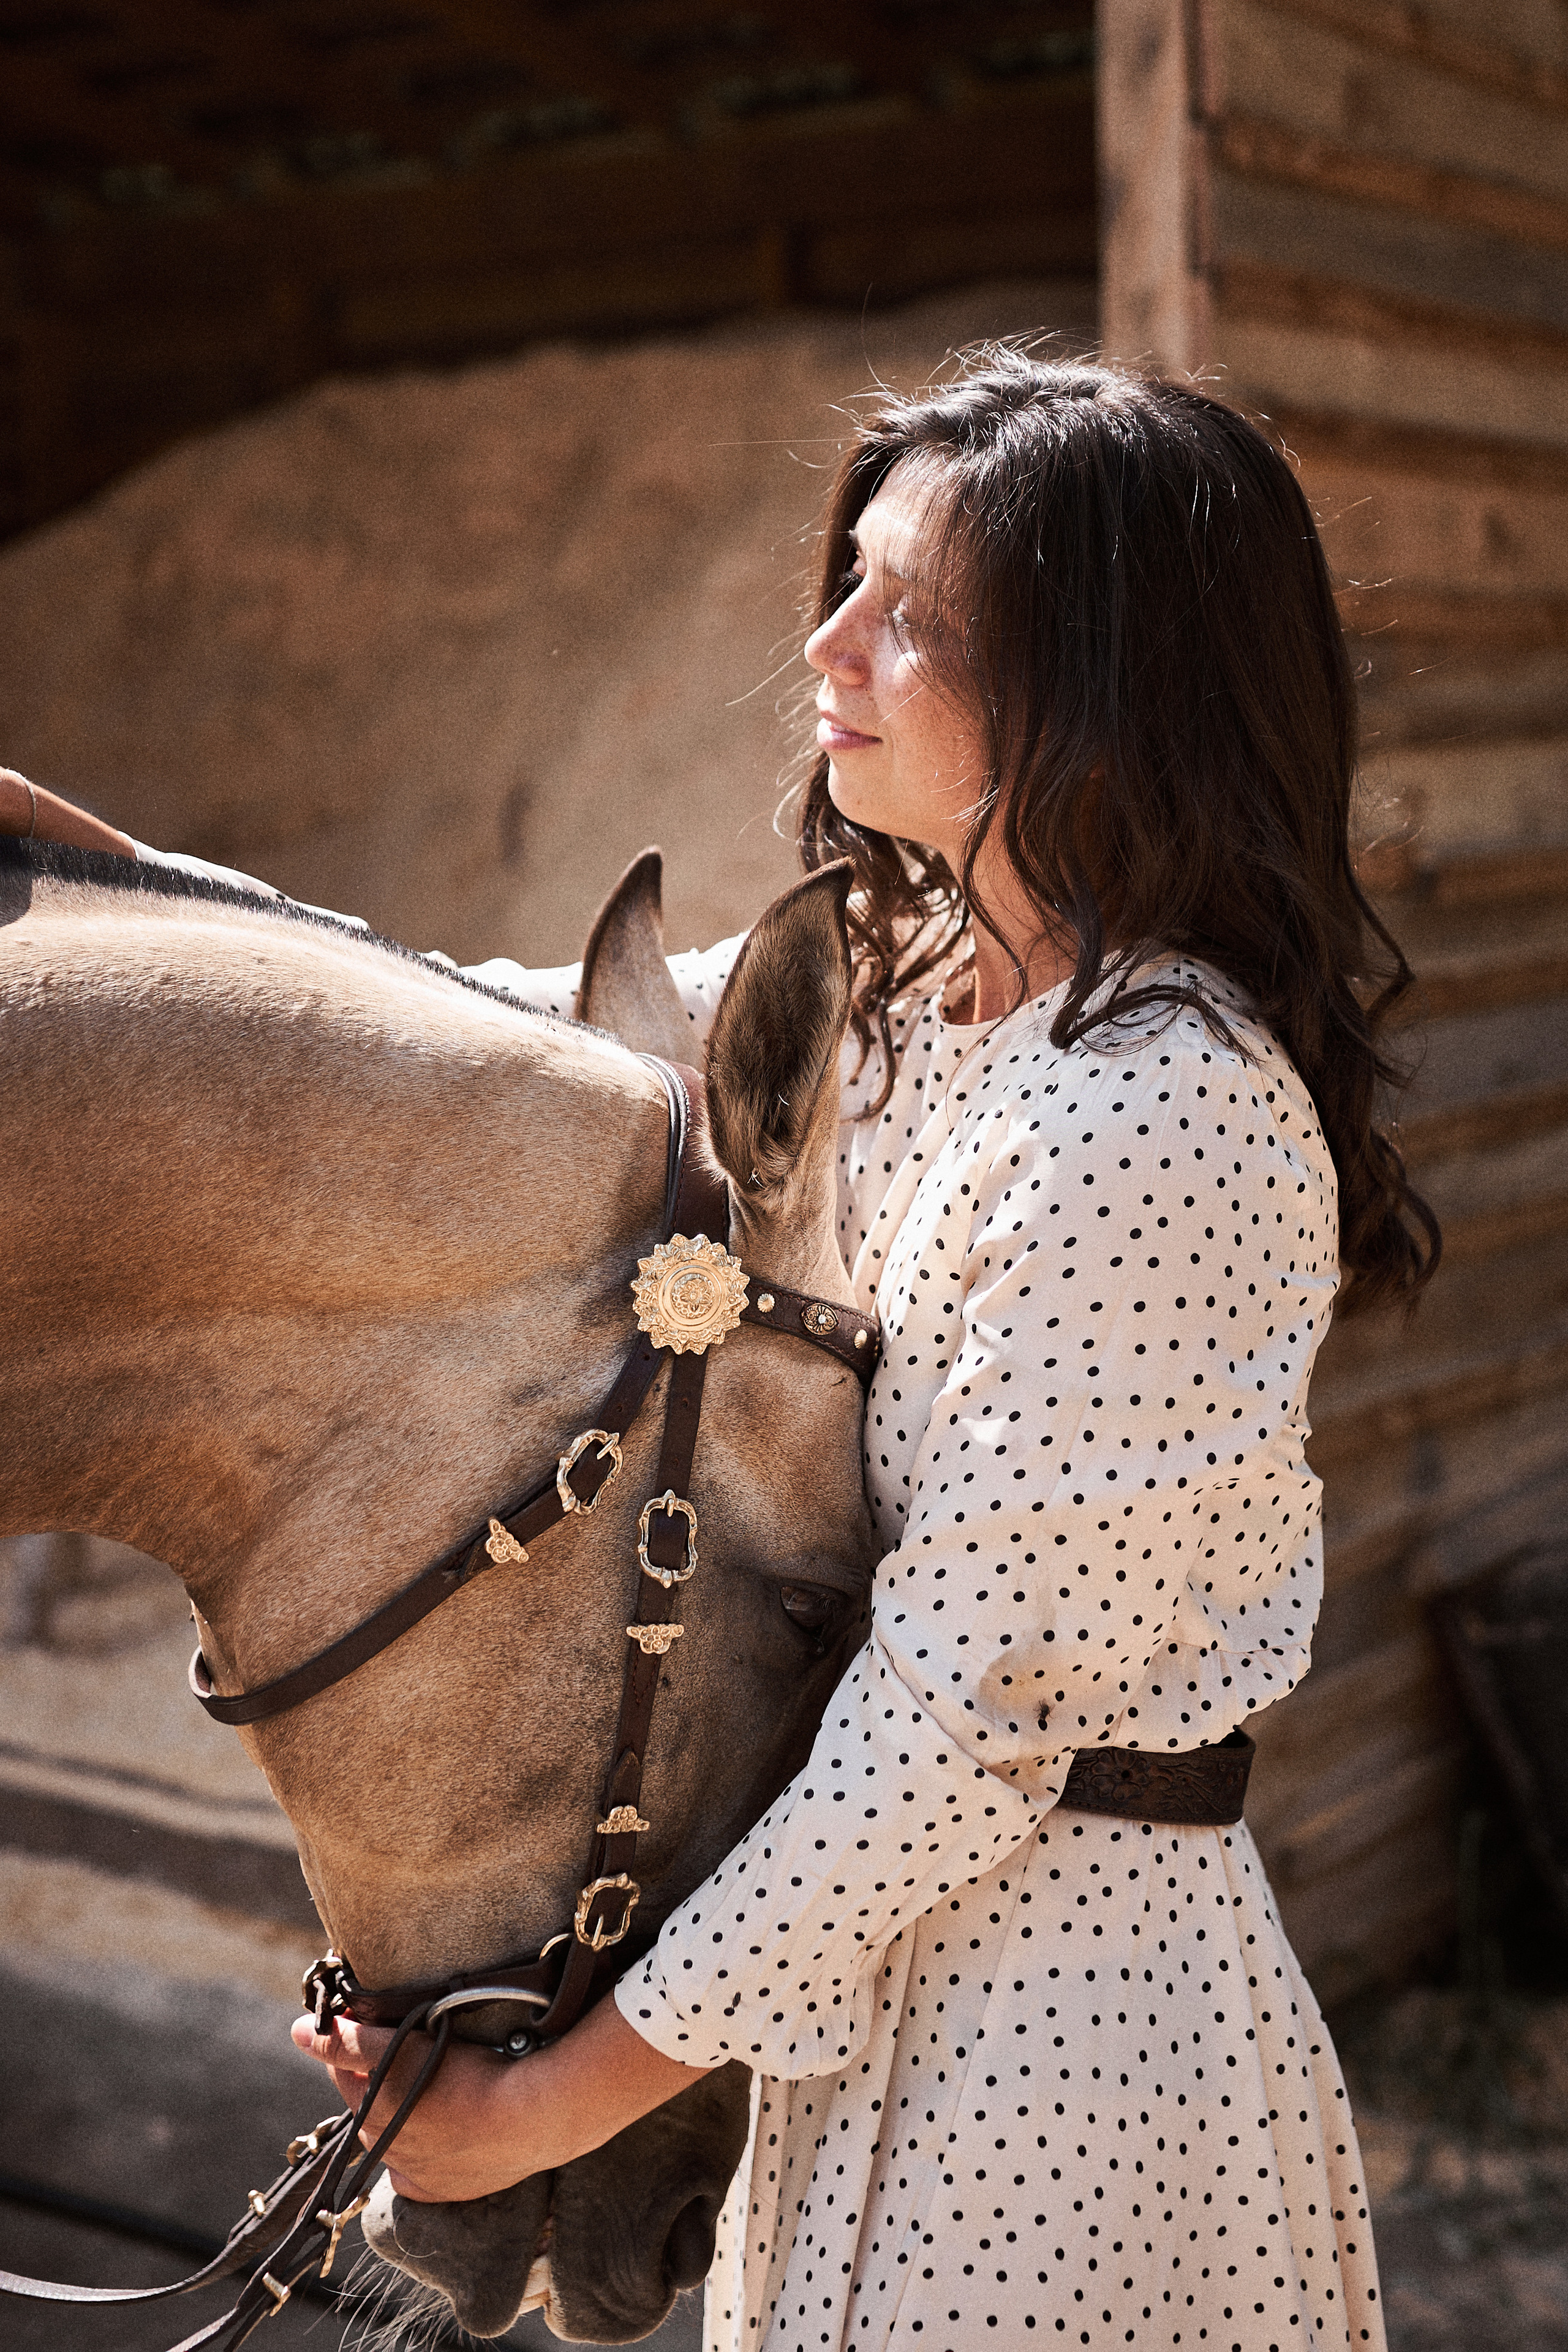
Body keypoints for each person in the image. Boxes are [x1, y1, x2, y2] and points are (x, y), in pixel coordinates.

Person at [6, 350, 1438, 2352]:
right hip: (856, 2037)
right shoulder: (910, 997)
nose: (832, 645)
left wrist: (544, 2109)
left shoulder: (1161, 1116)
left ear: (1105, 681)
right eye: (844, 580)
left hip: (1060, 2055)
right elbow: (444, 1036)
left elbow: (958, 1727)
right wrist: (92, 894)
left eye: (913, 615)